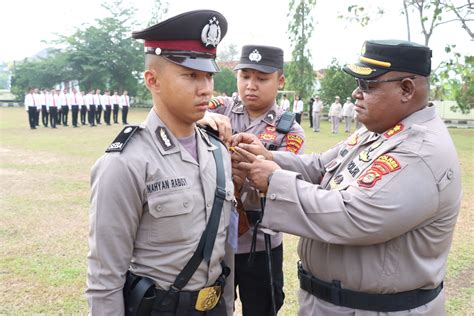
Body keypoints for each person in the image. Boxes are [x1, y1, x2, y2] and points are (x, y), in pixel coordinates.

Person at [231, 39, 461, 315]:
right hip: (336, 302)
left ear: (406, 89)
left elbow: (352, 215)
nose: (356, 93)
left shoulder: (420, 152)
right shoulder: (381, 131)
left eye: (368, 85)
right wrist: (268, 157)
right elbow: (320, 166)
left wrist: (273, 181)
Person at [86, 10, 235, 316]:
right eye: (190, 75)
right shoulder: (126, 163)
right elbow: (105, 279)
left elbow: (224, 250)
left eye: (208, 75)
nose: (206, 88)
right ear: (152, 80)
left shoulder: (217, 152)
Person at [201, 44, 305, 316]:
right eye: (245, 76)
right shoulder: (217, 109)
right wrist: (203, 117)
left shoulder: (288, 130)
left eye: (261, 78)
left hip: (260, 243)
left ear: (280, 81)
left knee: (262, 308)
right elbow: (184, 115)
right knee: (212, 309)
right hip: (214, 238)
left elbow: (284, 184)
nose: (251, 85)